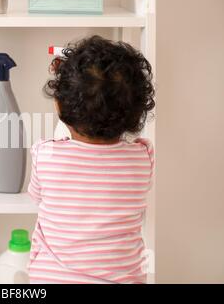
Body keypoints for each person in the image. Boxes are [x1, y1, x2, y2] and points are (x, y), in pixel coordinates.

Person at [28, 36, 155, 284]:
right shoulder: (143, 157)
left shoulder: (45, 155)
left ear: (59, 107)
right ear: (137, 113)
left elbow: (36, 197)